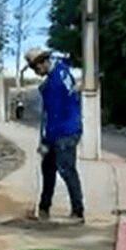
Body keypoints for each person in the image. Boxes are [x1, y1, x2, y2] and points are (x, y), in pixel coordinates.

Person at [25, 48, 84, 223]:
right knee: (48, 169)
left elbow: (52, 115)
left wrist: (45, 141)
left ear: (43, 63)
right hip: (69, 127)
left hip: (63, 131)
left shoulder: (53, 85)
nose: (36, 73)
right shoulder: (61, 70)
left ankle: (78, 211)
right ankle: (43, 208)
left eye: (36, 69)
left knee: (66, 170)